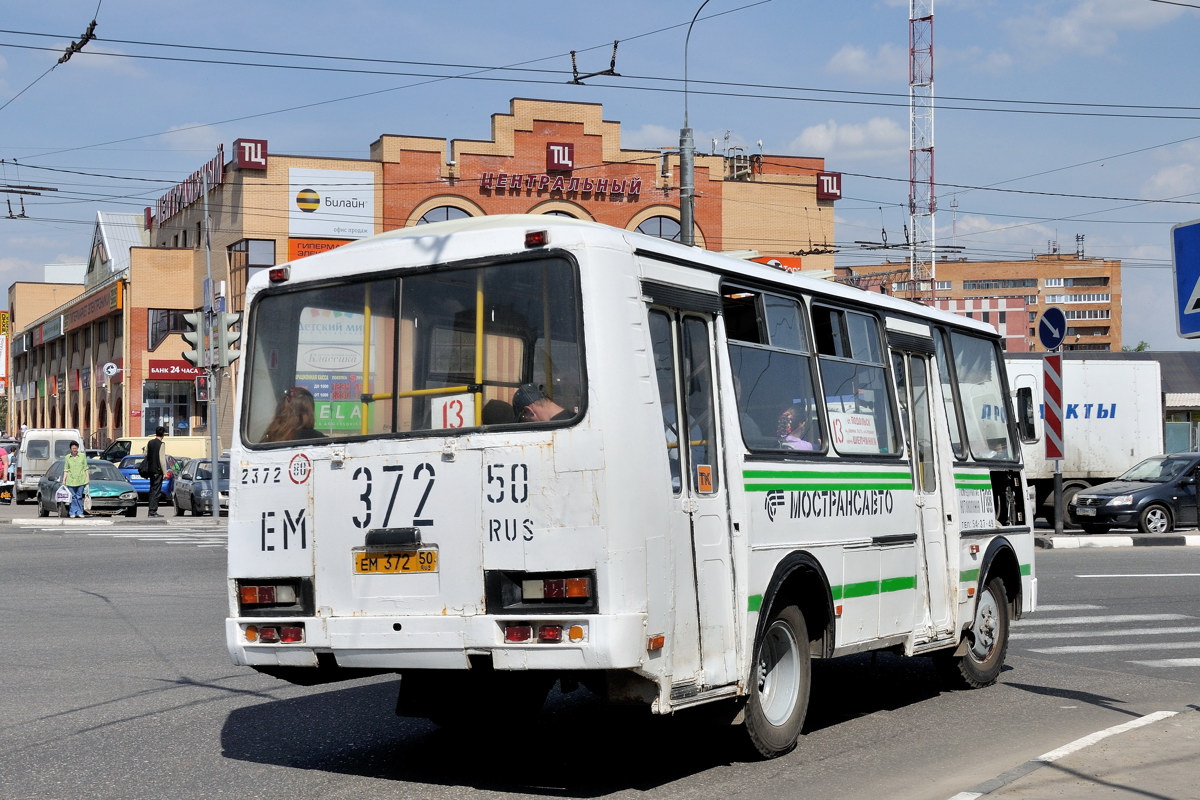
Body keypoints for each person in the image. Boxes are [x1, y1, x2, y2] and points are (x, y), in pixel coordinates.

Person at [143, 426, 170, 518]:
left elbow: (145, 453)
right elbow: (162, 460)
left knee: (152, 490)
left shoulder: (150, 442)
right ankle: (152, 511)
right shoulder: (161, 444)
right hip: (158, 471)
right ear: (163, 434)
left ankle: (151, 510)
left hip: (150, 470)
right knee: (156, 491)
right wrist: (165, 473)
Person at [63, 441, 90, 518]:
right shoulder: (67, 457)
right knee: (73, 497)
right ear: (70, 449)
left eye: (75, 448)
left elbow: (85, 468)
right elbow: (66, 469)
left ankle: (79, 512)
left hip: (81, 480)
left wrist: (88, 479)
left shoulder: (82, 456)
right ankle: (72, 512)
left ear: (77, 448)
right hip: (70, 480)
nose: (74, 450)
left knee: (79, 496)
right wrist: (64, 480)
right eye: (73, 448)